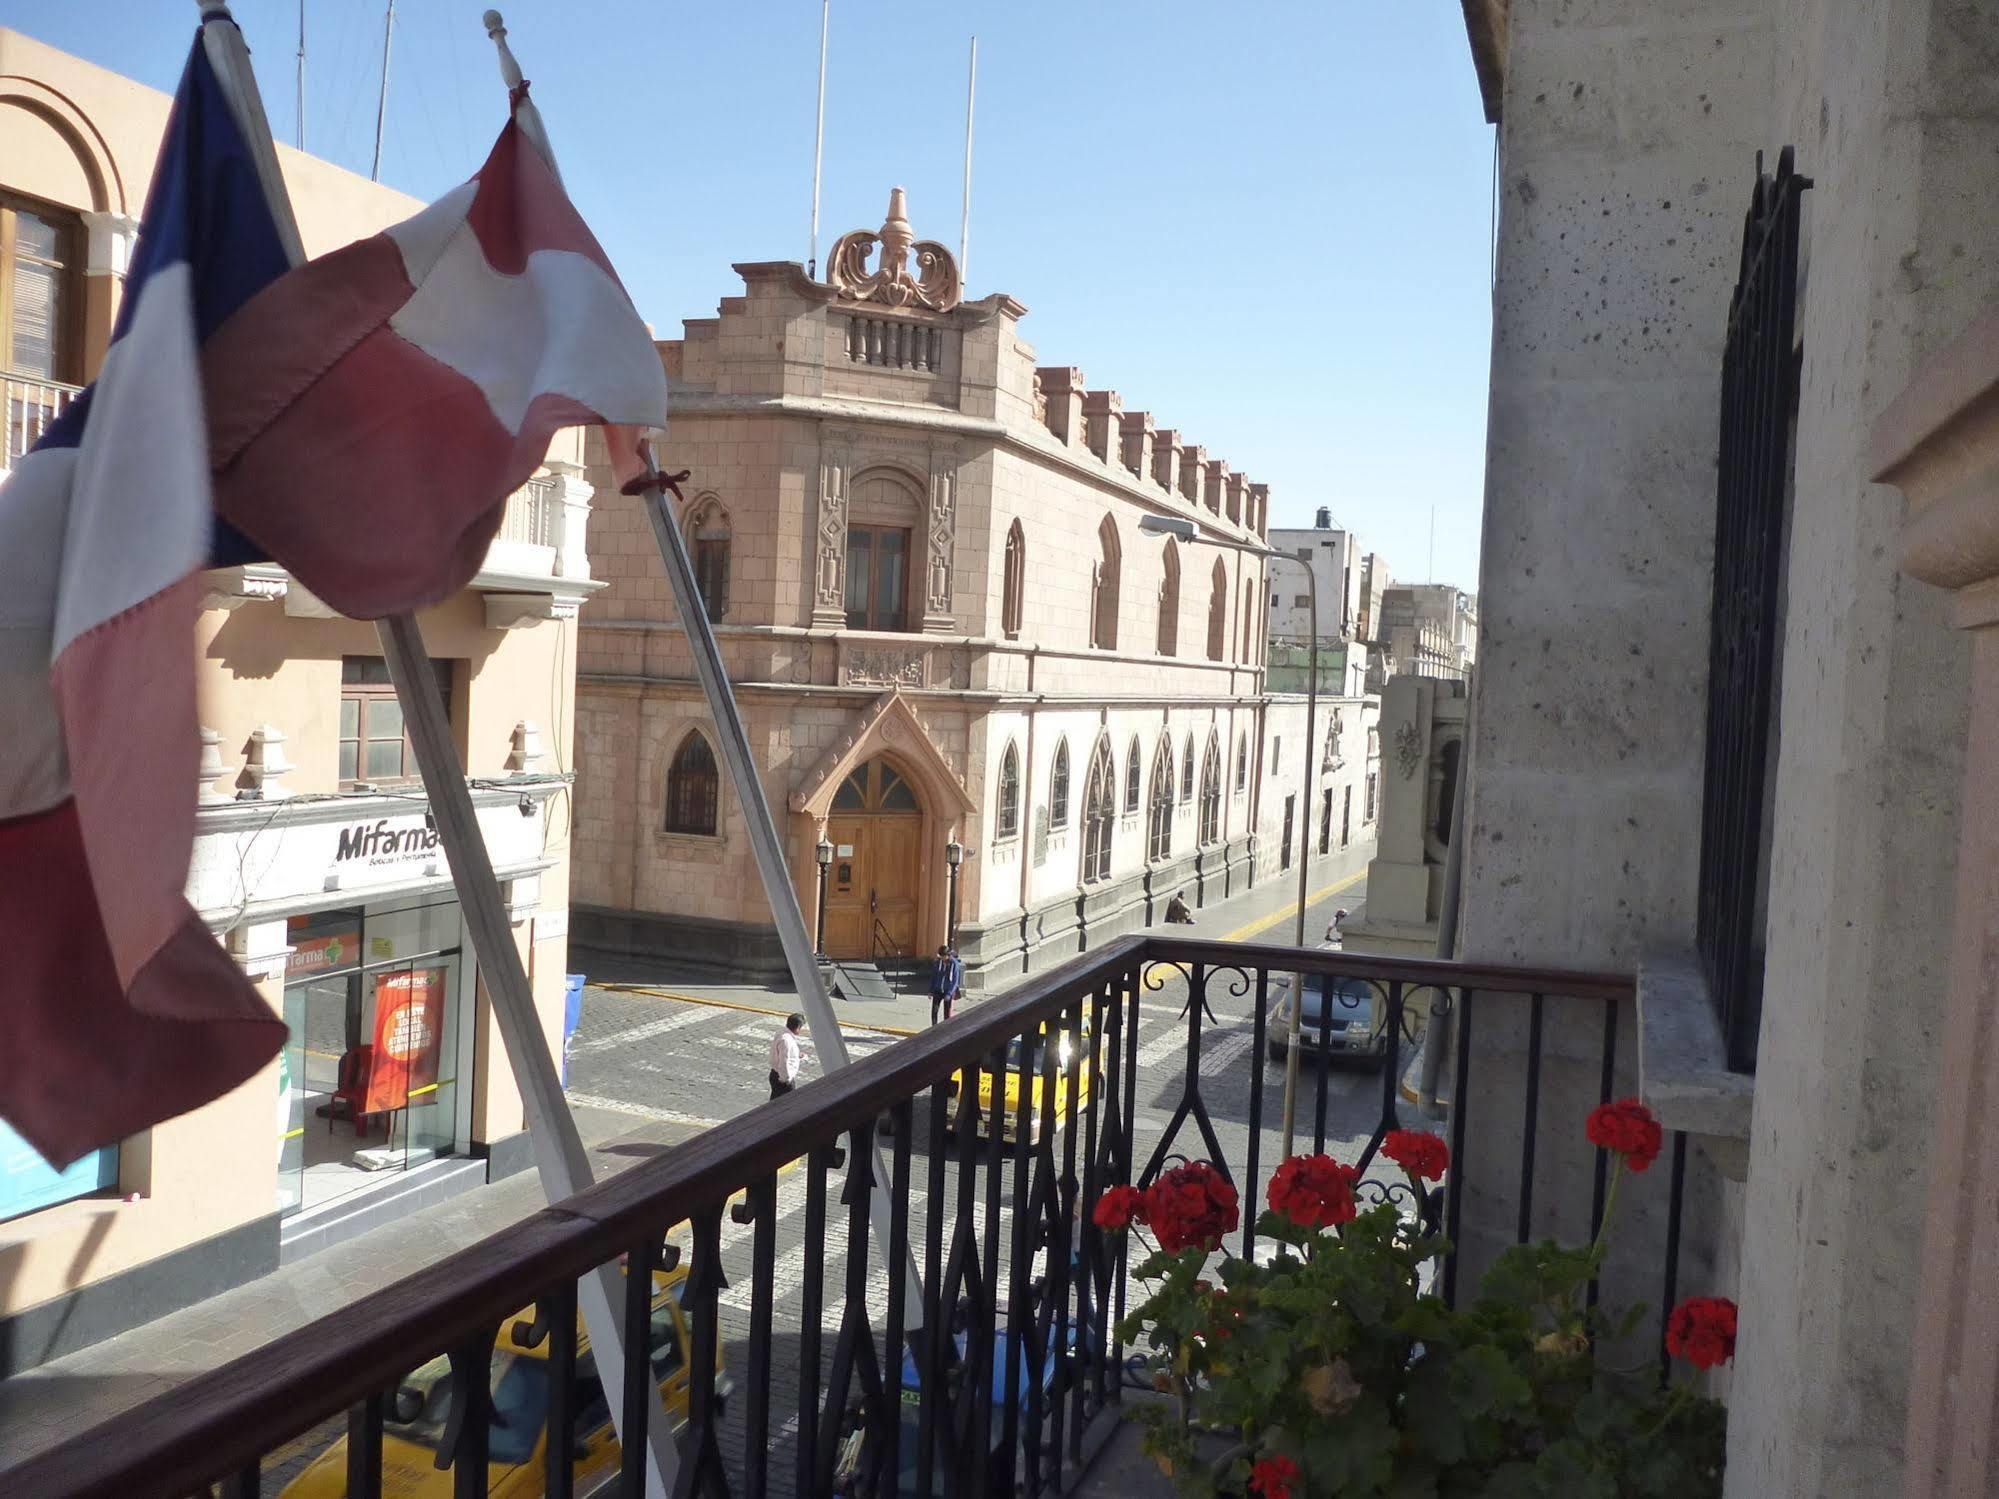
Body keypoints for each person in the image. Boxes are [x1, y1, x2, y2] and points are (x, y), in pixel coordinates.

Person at [768, 1012, 808, 1100]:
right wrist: (786, 1080)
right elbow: (784, 1062)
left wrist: (797, 1054)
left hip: (776, 1074)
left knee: (775, 1103)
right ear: (797, 1028)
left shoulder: (782, 1033)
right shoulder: (786, 1041)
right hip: (782, 1079)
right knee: (787, 1104)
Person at [929, 945, 963, 1025]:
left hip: (948, 991)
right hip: (938, 990)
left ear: (947, 955)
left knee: (947, 1013)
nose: (942, 958)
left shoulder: (954, 964)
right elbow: (934, 976)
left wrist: (949, 993)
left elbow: (955, 981)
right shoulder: (938, 963)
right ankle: (934, 1028)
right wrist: (931, 990)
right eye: (940, 956)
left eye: (943, 956)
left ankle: (946, 1028)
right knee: (934, 1011)